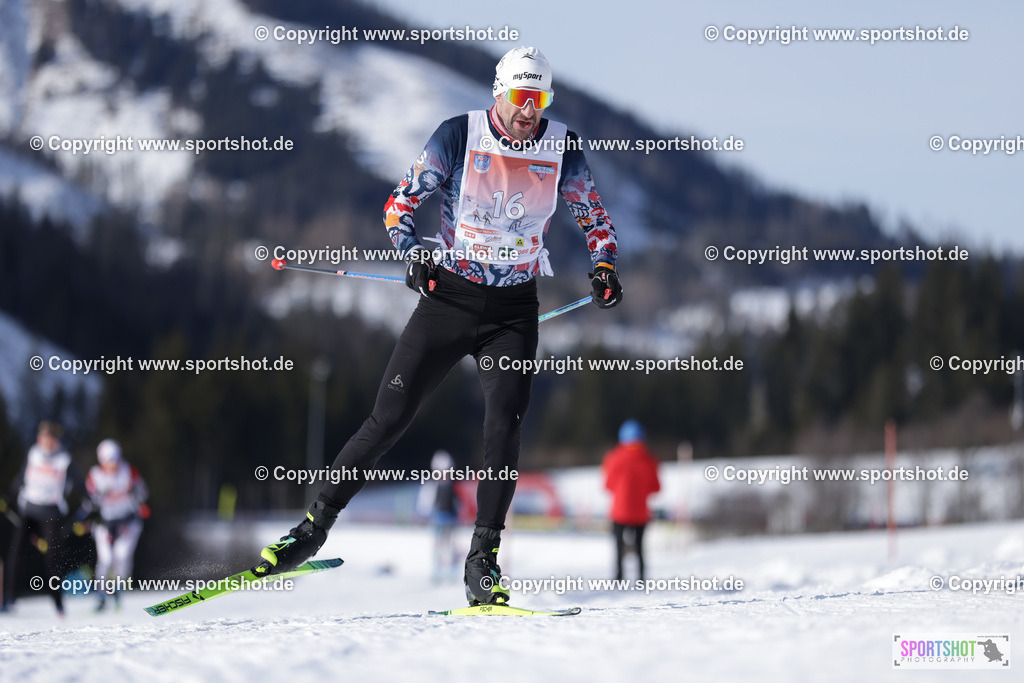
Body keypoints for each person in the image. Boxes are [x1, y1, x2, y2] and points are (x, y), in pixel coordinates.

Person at [259, 46, 621, 607]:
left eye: (540, 99)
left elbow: (594, 217)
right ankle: (310, 530)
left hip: (513, 311)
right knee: (389, 418)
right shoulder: (457, 136)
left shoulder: (562, 147)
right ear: (499, 92)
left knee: (503, 429)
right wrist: (413, 254)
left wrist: (604, 266)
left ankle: (482, 563)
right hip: (449, 299)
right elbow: (398, 206)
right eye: (521, 98)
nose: (529, 111)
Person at [2, 421, 89, 616]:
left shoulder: (63, 459)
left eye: (51, 439)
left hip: (52, 513)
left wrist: (87, 498)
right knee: (16, 551)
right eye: (44, 438)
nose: (47, 443)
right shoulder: (33, 454)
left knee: (53, 558)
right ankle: (10, 597)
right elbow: (21, 478)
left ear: (56, 440)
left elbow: (78, 481)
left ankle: (58, 601)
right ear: (39, 438)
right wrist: (9, 497)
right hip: (29, 510)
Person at [86, 438, 148, 611]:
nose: (113, 465)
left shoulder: (128, 470)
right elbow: (87, 502)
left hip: (128, 520)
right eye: (109, 461)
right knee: (106, 558)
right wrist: (97, 497)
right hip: (105, 522)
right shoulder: (95, 475)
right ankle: (101, 596)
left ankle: (118, 590)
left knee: (122, 554)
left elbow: (144, 493)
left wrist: (134, 492)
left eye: (116, 460)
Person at [602, 420, 660, 581]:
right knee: (640, 547)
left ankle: (619, 577)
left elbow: (607, 484)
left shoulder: (613, 458)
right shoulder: (649, 459)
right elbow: (656, 487)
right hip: (641, 511)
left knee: (618, 546)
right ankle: (641, 578)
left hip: (619, 511)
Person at [415, 450, 461, 583]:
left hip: (451, 520)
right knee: (437, 547)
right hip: (437, 520)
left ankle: (452, 572)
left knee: (452, 547)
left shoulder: (454, 486)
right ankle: (437, 572)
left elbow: (459, 503)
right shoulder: (431, 486)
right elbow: (425, 503)